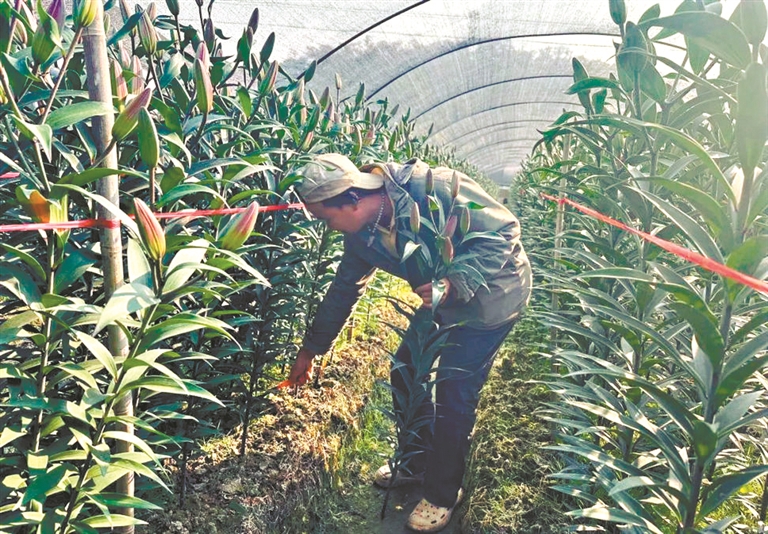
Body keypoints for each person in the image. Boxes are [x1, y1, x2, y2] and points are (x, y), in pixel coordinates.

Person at [285, 153, 531, 533]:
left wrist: (456, 282)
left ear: (351, 200)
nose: (328, 228)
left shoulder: (431, 188)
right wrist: (311, 349)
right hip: (441, 300)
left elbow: (504, 230)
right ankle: (416, 461)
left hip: (492, 297)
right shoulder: (362, 234)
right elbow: (344, 289)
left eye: (326, 218)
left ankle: (442, 493)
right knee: (406, 368)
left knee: (454, 390)